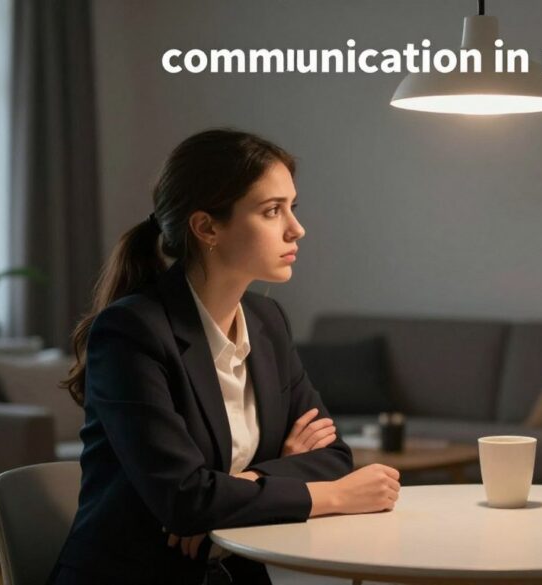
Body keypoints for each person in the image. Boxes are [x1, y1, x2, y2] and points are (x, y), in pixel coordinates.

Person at [50, 129, 401, 584]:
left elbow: (332, 456)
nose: (296, 228)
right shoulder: (131, 332)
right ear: (206, 227)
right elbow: (184, 499)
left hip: (233, 572)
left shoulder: (267, 321)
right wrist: (334, 496)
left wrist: (244, 484)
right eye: (272, 210)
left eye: (292, 207)